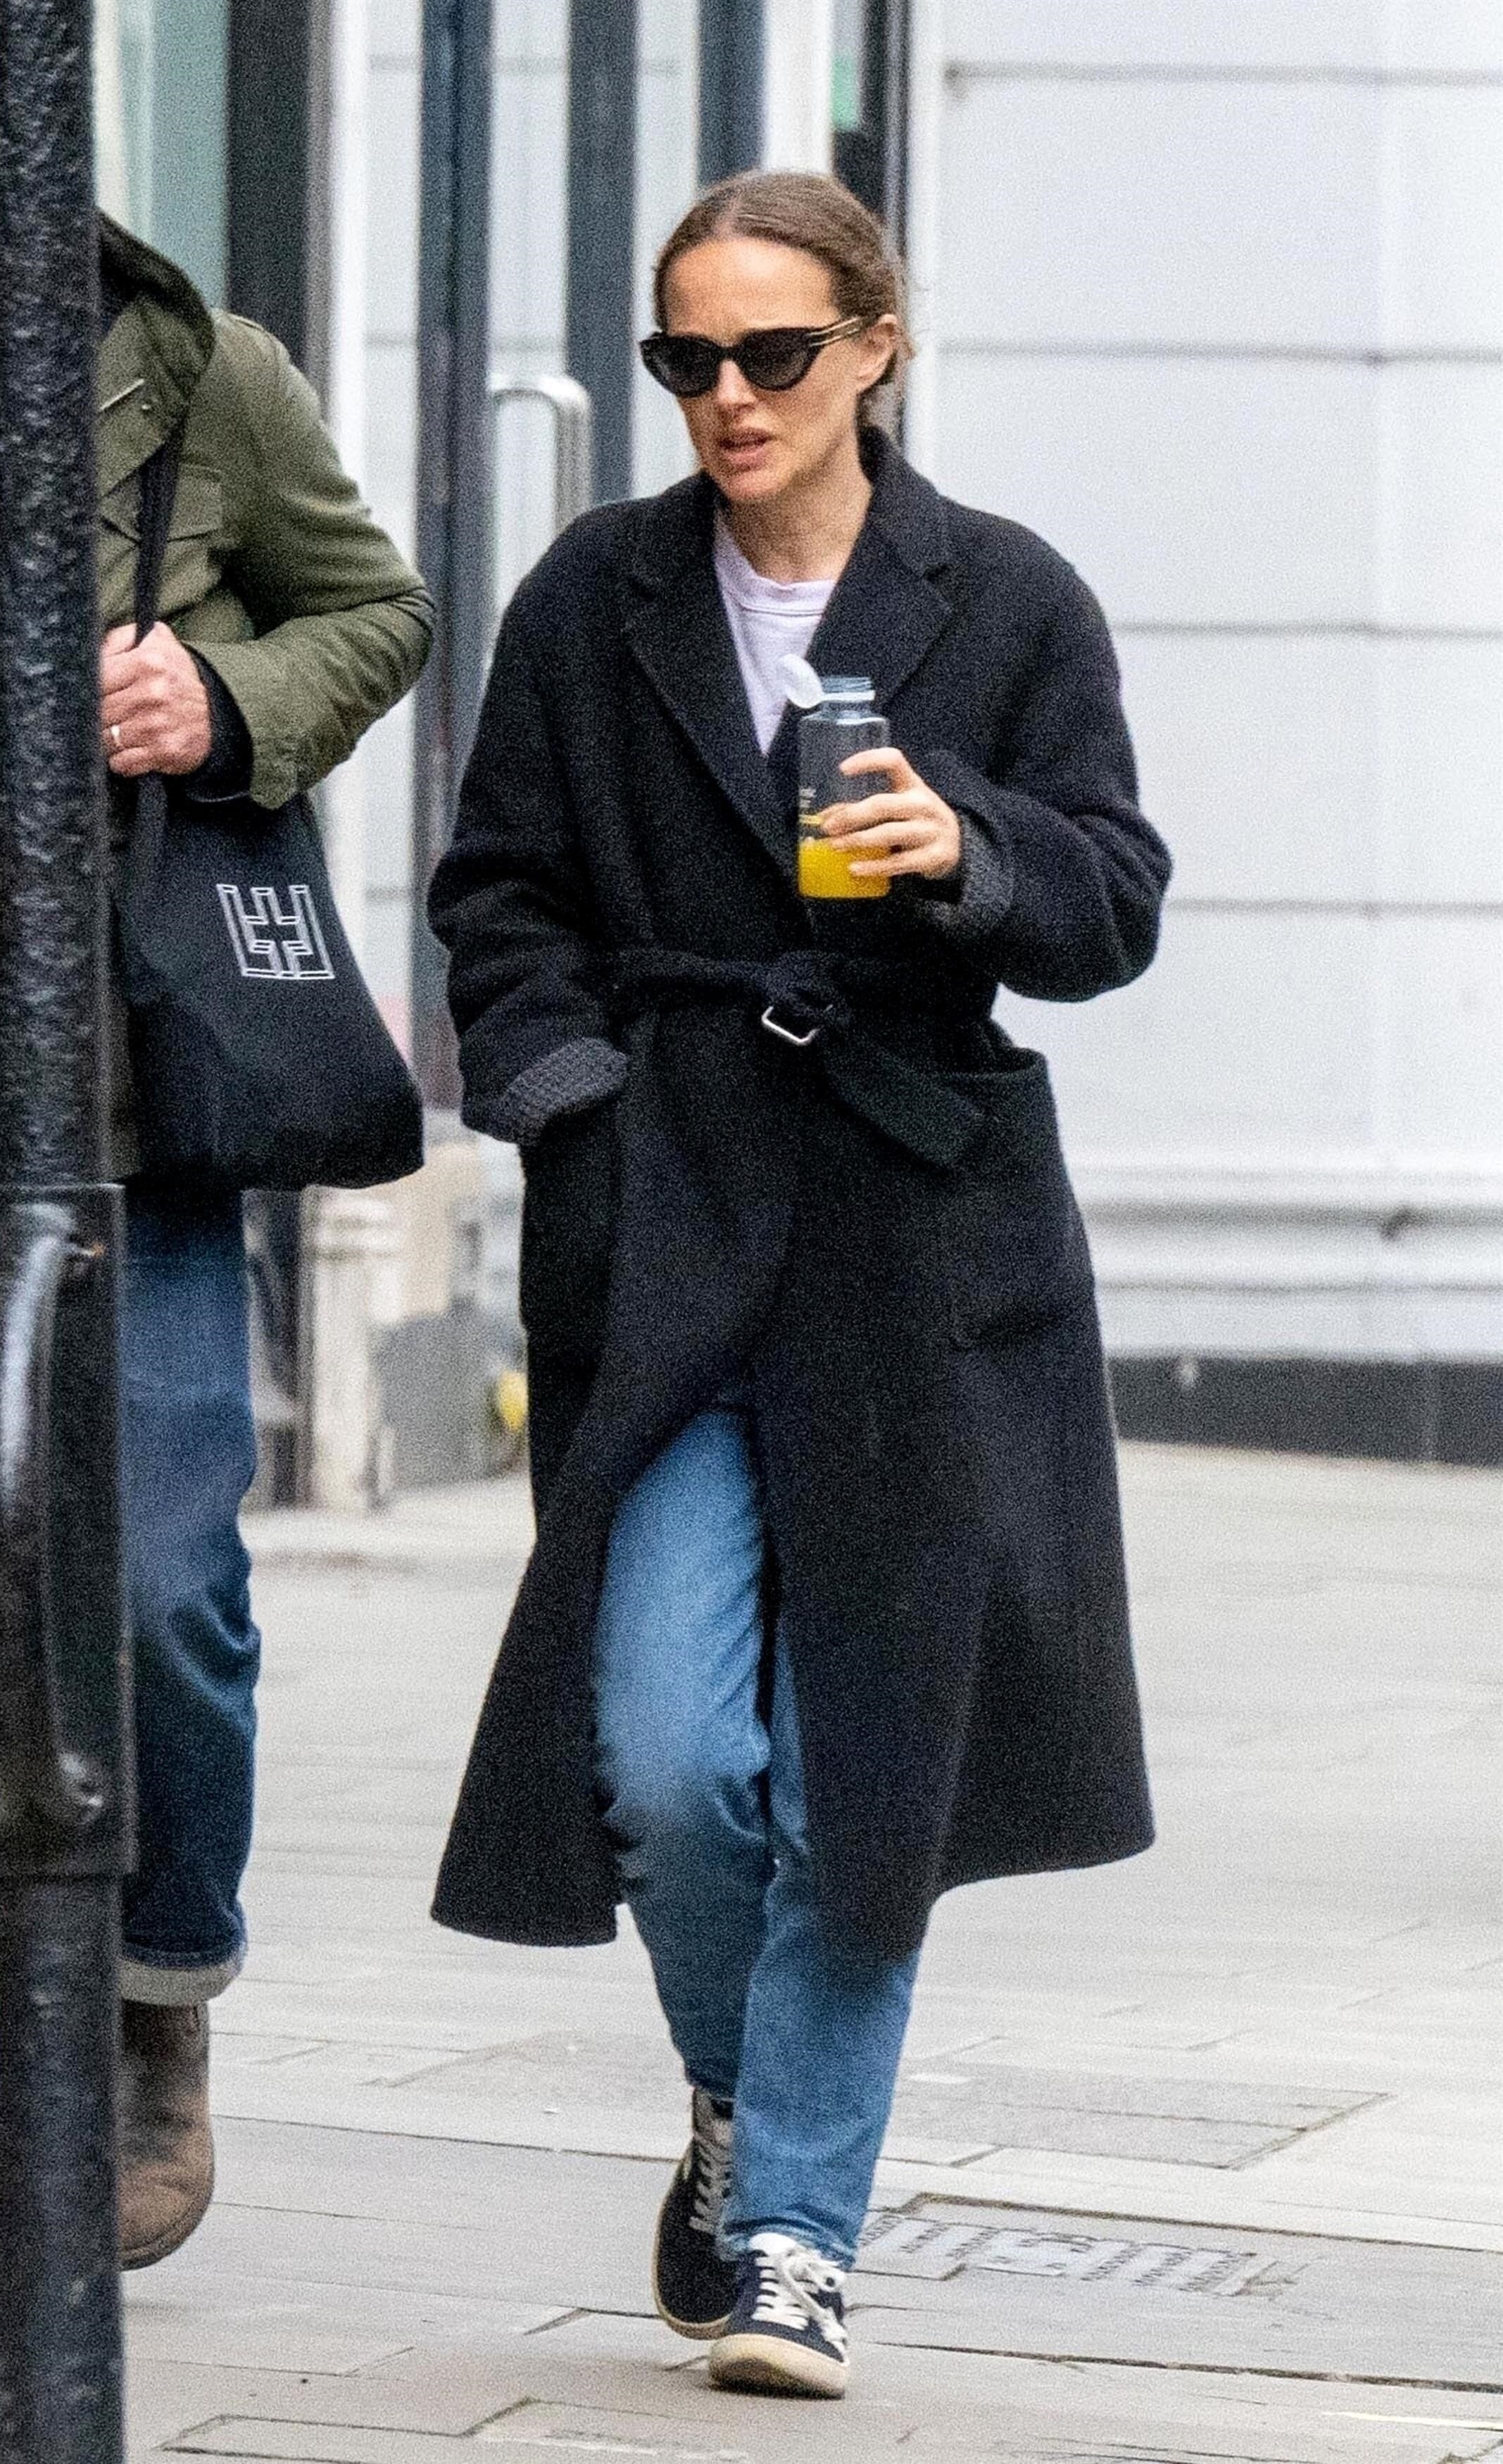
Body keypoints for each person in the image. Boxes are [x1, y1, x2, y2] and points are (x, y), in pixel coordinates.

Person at [427, 172, 1171, 2399]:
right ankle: (744, 2095)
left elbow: (1116, 895)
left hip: (916, 1233)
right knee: (667, 1756)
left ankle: (795, 2241)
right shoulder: (597, 594)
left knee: (869, 1770)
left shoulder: (1005, 596)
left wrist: (973, 848)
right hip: (665, 1218)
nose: (728, 398)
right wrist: (578, 1108)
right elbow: (499, 899)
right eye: (688, 360)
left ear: (875, 347)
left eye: (771, 353)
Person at [96, 213, 433, 2268]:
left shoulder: (201, 367)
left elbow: (379, 611)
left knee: (155, 1581)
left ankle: (161, 1994)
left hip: (123, 1103)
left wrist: (215, 700)